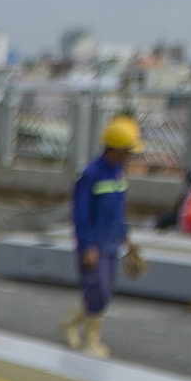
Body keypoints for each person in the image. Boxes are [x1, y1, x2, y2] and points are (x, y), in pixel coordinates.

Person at [59, 114, 142, 359]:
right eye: (128, 151)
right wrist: (87, 246)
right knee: (97, 290)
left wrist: (126, 238)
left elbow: (118, 210)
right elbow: (81, 214)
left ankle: (69, 323)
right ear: (114, 149)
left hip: (112, 242)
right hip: (95, 244)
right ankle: (89, 339)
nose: (130, 157)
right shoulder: (91, 174)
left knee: (104, 291)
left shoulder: (118, 173)